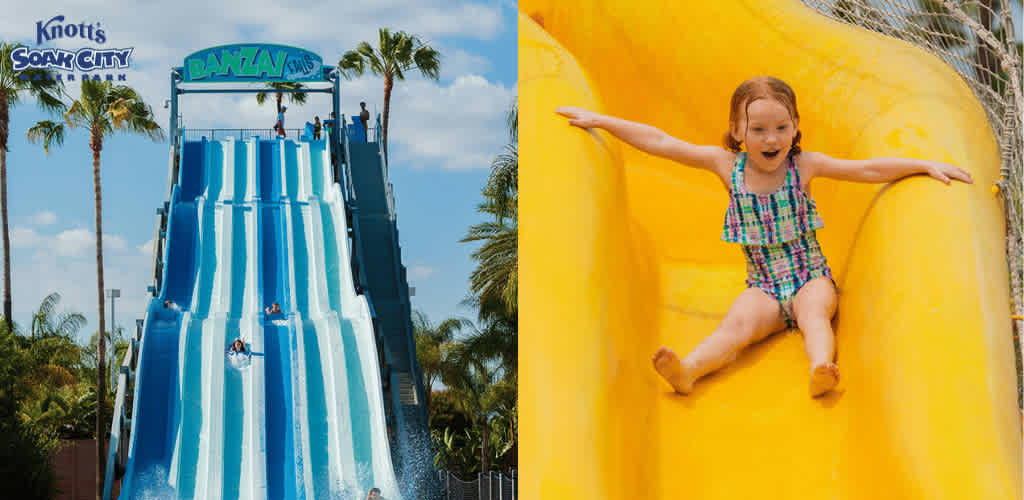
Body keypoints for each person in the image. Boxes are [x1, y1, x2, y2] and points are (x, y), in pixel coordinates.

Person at [555, 76, 973, 398]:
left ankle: (821, 368)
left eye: (780, 127)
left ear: (795, 129)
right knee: (736, 326)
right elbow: (661, 142)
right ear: (737, 131)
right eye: (757, 129)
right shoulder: (725, 165)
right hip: (764, 288)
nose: (770, 139)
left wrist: (923, 164)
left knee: (813, 314)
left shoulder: (804, 165)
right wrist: (600, 121)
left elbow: (865, 170)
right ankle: (689, 370)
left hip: (811, 276)